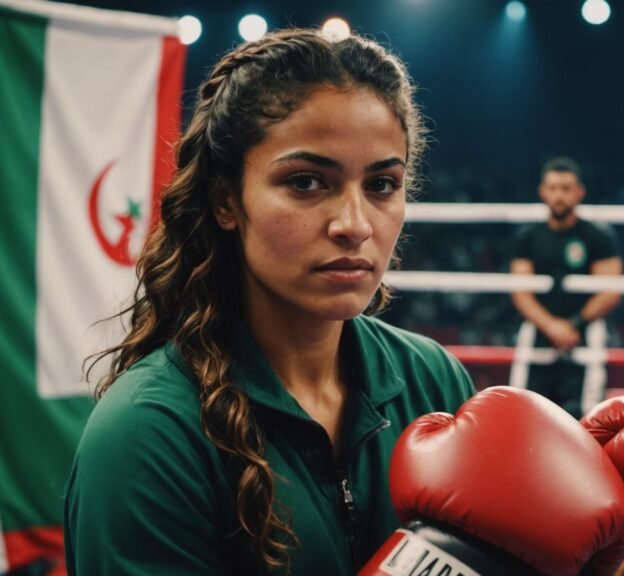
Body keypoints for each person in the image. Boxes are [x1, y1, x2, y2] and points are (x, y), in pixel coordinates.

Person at [63, 29, 475, 576]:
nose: (354, 225)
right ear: (226, 200)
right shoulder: (147, 436)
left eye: (382, 184)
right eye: (306, 182)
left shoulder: (432, 380)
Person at [509, 157, 623, 418]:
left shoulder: (597, 236)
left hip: (585, 330)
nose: (559, 195)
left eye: (566, 188)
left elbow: (610, 291)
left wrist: (574, 325)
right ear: (542, 191)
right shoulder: (528, 237)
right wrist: (551, 326)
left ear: (579, 192)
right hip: (539, 330)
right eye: (553, 187)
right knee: (526, 411)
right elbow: (520, 290)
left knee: (588, 414)